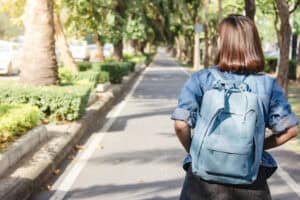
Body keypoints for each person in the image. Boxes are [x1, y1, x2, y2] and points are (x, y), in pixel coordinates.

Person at [171, 14, 299, 200]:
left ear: (224, 43)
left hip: (201, 183)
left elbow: (180, 125)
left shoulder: (202, 79)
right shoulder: (267, 85)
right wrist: (254, 146)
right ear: (253, 44)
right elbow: (291, 130)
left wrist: (198, 150)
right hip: (250, 183)